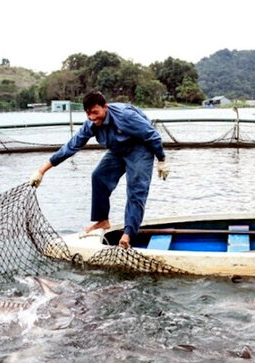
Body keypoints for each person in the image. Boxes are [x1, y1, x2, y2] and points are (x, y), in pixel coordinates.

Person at [29, 91, 169, 249]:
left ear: (105, 107)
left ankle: (128, 233)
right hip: (117, 149)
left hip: (140, 149)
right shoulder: (90, 124)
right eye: (88, 113)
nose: (92, 117)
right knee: (98, 176)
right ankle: (102, 220)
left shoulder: (125, 117)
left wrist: (161, 159)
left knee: (136, 189)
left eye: (96, 112)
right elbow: (70, 147)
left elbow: (153, 136)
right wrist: (41, 171)